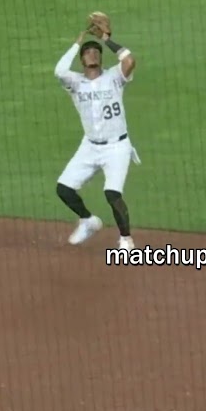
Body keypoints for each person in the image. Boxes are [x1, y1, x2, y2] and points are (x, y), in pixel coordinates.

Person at [52, 13, 141, 250]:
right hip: (90, 146)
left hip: (117, 146)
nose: (92, 53)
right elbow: (59, 71)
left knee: (112, 194)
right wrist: (77, 42)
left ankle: (126, 239)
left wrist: (106, 39)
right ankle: (88, 221)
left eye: (95, 51)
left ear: (101, 57)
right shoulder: (75, 83)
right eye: (87, 52)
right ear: (81, 59)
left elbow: (130, 60)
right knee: (63, 189)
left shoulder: (114, 77)